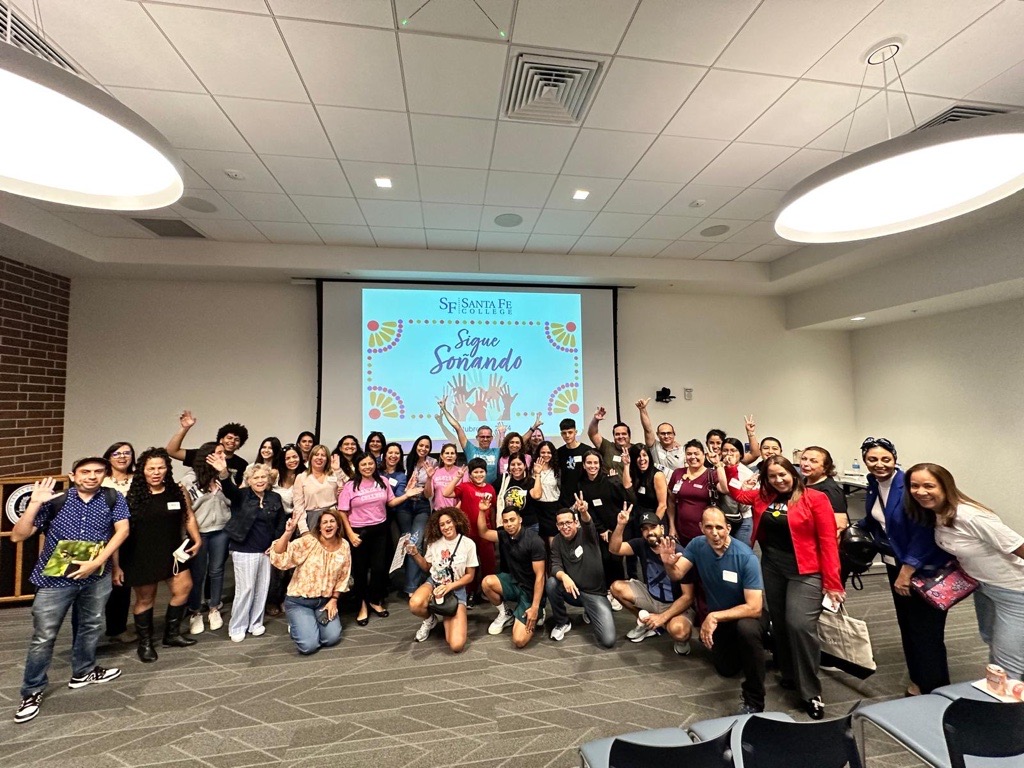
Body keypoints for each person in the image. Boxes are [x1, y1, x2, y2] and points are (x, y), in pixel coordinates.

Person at [722, 456, 844, 719]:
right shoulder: (763, 497)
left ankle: (811, 692)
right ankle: (790, 674)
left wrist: (833, 582)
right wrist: (731, 466)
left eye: (783, 474)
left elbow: (828, 542)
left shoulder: (815, 498)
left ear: (794, 472)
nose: (779, 480)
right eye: (772, 476)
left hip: (807, 570)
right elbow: (736, 492)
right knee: (780, 622)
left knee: (799, 625)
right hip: (773, 568)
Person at [12, 460, 130, 724]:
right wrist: (33, 504)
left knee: (91, 625)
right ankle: (32, 691)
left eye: (98, 472)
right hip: (55, 579)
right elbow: (18, 536)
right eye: (85, 472)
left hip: (96, 576)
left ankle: (83, 672)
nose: (92, 477)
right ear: (73, 475)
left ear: (105, 475)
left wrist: (99, 563)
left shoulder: (113, 498)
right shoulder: (56, 501)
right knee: (44, 636)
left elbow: (122, 530)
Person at [903, 463, 1024, 681]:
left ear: (945, 486)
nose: (921, 492)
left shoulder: (969, 516)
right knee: (992, 640)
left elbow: (1018, 546)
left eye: (929, 485)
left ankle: (1006, 710)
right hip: (984, 587)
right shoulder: (936, 514)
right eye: (914, 486)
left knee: (1007, 660)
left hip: (1015, 590)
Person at [855, 437, 950, 696]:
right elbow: (878, 518)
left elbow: (923, 531)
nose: (879, 464)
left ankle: (936, 688)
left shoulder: (908, 486)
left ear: (895, 458)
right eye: (872, 459)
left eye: (886, 458)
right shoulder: (874, 484)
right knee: (908, 626)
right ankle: (920, 679)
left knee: (926, 631)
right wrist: (851, 528)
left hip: (921, 567)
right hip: (895, 563)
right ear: (865, 460)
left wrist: (906, 572)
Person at [661, 508, 768, 715]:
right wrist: (667, 564)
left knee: (747, 630)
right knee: (726, 669)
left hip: (747, 615)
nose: (715, 533)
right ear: (701, 528)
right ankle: (749, 650)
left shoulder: (746, 557)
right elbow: (677, 573)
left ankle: (754, 701)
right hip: (722, 621)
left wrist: (713, 616)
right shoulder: (697, 545)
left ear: (728, 528)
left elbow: (754, 608)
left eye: (720, 527)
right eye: (709, 527)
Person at [122, 448, 202, 662]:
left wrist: (197, 538)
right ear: (143, 470)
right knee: (146, 599)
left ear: (167, 469)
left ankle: (172, 634)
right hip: (141, 554)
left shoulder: (177, 490)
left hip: (173, 551)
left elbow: (189, 516)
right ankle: (145, 643)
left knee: (184, 589)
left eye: (161, 467)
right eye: (151, 468)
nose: (156, 472)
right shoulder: (132, 494)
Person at [339, 454, 423, 625]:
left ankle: (374, 600)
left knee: (379, 569)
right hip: (358, 532)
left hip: (380, 530)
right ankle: (362, 605)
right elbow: (342, 510)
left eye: (371, 463)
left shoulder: (383, 481)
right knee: (360, 571)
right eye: (364, 464)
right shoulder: (350, 486)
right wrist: (349, 534)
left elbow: (391, 502)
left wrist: (407, 495)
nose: (368, 467)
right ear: (357, 466)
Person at [218, 458, 287, 643]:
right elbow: (229, 490)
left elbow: (280, 521)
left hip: (266, 550)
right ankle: (237, 626)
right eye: (255, 477)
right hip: (244, 548)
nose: (260, 480)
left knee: (262, 588)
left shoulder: (274, 498)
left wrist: (276, 542)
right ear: (248, 480)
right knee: (245, 589)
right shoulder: (241, 495)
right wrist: (224, 474)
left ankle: (255, 623)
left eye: (263, 476)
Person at [609, 508, 695, 656]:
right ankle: (646, 623)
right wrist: (620, 525)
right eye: (645, 529)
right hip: (651, 597)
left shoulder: (679, 551)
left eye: (653, 527)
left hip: (675, 603)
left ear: (662, 528)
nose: (650, 532)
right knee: (616, 588)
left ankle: (670, 631)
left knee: (679, 632)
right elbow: (614, 549)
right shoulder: (641, 544)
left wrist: (663, 618)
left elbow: (688, 597)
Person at [269, 512, 352, 655]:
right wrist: (288, 532)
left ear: (338, 525)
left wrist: (334, 600)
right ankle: (297, 625)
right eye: (324, 522)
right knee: (309, 647)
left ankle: (308, 623)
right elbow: (279, 555)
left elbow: (343, 576)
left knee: (331, 639)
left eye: (332, 521)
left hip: (323, 602)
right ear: (319, 527)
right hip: (299, 601)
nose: (328, 525)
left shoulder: (344, 546)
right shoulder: (309, 542)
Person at [477, 499, 547, 648]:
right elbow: (483, 532)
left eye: (512, 520)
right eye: (506, 521)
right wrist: (483, 511)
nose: (509, 524)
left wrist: (534, 607)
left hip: (530, 591)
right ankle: (506, 613)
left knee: (519, 640)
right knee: (487, 582)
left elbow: (540, 577)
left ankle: (540, 610)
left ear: (520, 520)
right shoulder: (504, 535)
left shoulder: (535, 541)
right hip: (514, 583)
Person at [406, 509, 479, 652]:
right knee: (415, 604)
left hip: (456, 588)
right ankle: (430, 620)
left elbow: (470, 576)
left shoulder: (468, 544)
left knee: (456, 645)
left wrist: (450, 587)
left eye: (448, 522)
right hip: (434, 582)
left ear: (456, 522)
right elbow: (427, 567)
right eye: (442, 525)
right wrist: (415, 554)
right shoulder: (434, 543)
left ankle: (447, 612)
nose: (446, 527)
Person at [547, 507, 616, 648]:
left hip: (595, 594)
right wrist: (564, 576)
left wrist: (584, 511)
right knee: (552, 583)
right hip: (574, 591)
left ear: (575, 523)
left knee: (608, 640)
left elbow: (588, 523)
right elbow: (555, 566)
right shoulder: (557, 541)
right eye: (561, 524)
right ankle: (562, 622)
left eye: (568, 522)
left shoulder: (586, 534)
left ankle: (591, 610)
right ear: (557, 526)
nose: (565, 527)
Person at [182, 442, 231, 635]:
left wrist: (224, 477)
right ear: (207, 456)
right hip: (199, 531)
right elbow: (186, 509)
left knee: (217, 571)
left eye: (223, 454)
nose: (222, 457)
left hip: (221, 530)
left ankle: (214, 608)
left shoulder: (224, 476)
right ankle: (195, 611)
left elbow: (232, 500)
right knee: (198, 573)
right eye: (218, 453)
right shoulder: (190, 479)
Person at [575, 450, 631, 607]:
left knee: (616, 559)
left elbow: (623, 501)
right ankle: (607, 590)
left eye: (595, 463)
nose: (592, 466)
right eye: (589, 463)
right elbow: (589, 510)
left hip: (617, 527)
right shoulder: (582, 485)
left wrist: (615, 529)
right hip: (598, 529)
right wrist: (601, 530)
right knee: (603, 560)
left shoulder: (609, 481)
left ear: (600, 465)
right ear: (584, 465)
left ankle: (619, 593)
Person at [443, 457, 497, 601]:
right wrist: (457, 477)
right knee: (470, 565)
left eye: (481, 472)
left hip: (486, 533)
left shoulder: (490, 489)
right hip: (468, 534)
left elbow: (493, 511)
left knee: (489, 563)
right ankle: (470, 592)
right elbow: (446, 493)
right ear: (470, 474)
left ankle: (487, 591)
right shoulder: (465, 486)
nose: (479, 475)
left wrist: (495, 530)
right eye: (475, 472)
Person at [99, 442, 135, 644]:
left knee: (124, 584)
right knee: (110, 581)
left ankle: (118, 628)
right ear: (109, 457)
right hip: (108, 537)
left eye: (127, 453)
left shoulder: (139, 479)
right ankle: (104, 627)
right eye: (117, 453)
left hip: (135, 537)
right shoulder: (102, 482)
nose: (122, 457)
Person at [384, 441, 428, 596]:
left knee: (415, 543)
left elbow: (402, 493)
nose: (394, 456)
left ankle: (411, 587)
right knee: (404, 543)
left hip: (417, 506)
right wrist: (407, 492)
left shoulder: (402, 475)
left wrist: (408, 491)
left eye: (397, 453)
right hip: (400, 510)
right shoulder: (378, 470)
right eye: (391, 452)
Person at [266, 443, 306, 616]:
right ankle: (273, 599)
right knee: (278, 562)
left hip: (301, 520)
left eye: (295, 457)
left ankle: (288, 598)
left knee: (296, 564)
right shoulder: (274, 475)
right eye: (288, 458)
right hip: (278, 522)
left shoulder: (305, 475)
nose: (292, 460)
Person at [667, 440, 727, 545]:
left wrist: (718, 465)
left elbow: (724, 489)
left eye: (696, 453)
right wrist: (672, 526)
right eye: (689, 454)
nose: (693, 457)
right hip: (681, 530)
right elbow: (671, 501)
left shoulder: (711, 474)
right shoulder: (677, 473)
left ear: (704, 455)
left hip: (706, 532)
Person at [165, 410, 249, 483]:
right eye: (229, 438)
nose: (232, 441)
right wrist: (185, 428)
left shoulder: (242, 464)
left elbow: (240, 489)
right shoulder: (203, 454)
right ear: (221, 439)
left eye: (237, 440)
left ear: (240, 444)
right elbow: (171, 451)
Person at [439, 396, 500, 484]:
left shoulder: (496, 451)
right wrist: (444, 409)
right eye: (482, 437)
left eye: (488, 437)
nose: (485, 439)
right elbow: (458, 428)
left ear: (491, 438)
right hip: (472, 490)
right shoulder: (470, 449)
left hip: (491, 489)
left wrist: (502, 434)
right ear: (477, 438)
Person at [799, 446, 849, 533]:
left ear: (825, 468)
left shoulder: (831, 490)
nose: (805, 464)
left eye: (813, 461)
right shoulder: (802, 482)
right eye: (804, 459)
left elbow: (839, 527)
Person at [292, 444, 340, 534]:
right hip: (312, 520)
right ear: (311, 458)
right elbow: (298, 507)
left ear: (327, 459)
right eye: (316, 454)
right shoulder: (301, 477)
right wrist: (304, 530)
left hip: (333, 518)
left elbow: (346, 490)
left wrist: (337, 470)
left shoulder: (334, 474)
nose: (320, 457)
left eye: (323, 455)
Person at [719, 437, 755, 545]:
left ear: (740, 454)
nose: (729, 454)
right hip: (723, 519)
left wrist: (743, 490)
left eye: (733, 450)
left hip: (743, 520)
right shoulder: (718, 469)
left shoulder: (747, 473)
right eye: (725, 450)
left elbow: (745, 506)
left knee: (741, 552)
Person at [636, 398, 685, 474]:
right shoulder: (654, 446)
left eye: (669, 433)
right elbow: (647, 429)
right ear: (657, 435)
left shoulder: (683, 451)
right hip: (657, 484)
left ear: (674, 434)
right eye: (662, 433)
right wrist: (643, 410)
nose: (666, 436)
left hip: (677, 485)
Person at [587, 406, 641, 476]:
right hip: (609, 486)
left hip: (631, 486)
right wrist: (595, 420)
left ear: (629, 436)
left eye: (624, 434)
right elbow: (593, 434)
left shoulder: (636, 450)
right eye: (617, 434)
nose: (621, 436)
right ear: (614, 436)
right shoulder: (607, 447)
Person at [496, 452, 540, 533]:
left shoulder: (530, 481)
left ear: (525, 465)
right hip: (509, 525)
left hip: (529, 525)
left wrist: (537, 474)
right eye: (513, 464)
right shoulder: (503, 480)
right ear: (509, 466)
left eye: (519, 464)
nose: (516, 467)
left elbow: (537, 495)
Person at [531, 440, 562, 541]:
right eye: (543, 452)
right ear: (538, 453)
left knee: (552, 540)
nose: (546, 455)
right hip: (537, 508)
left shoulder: (557, 470)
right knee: (539, 540)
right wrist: (537, 473)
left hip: (552, 508)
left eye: (549, 452)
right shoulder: (532, 469)